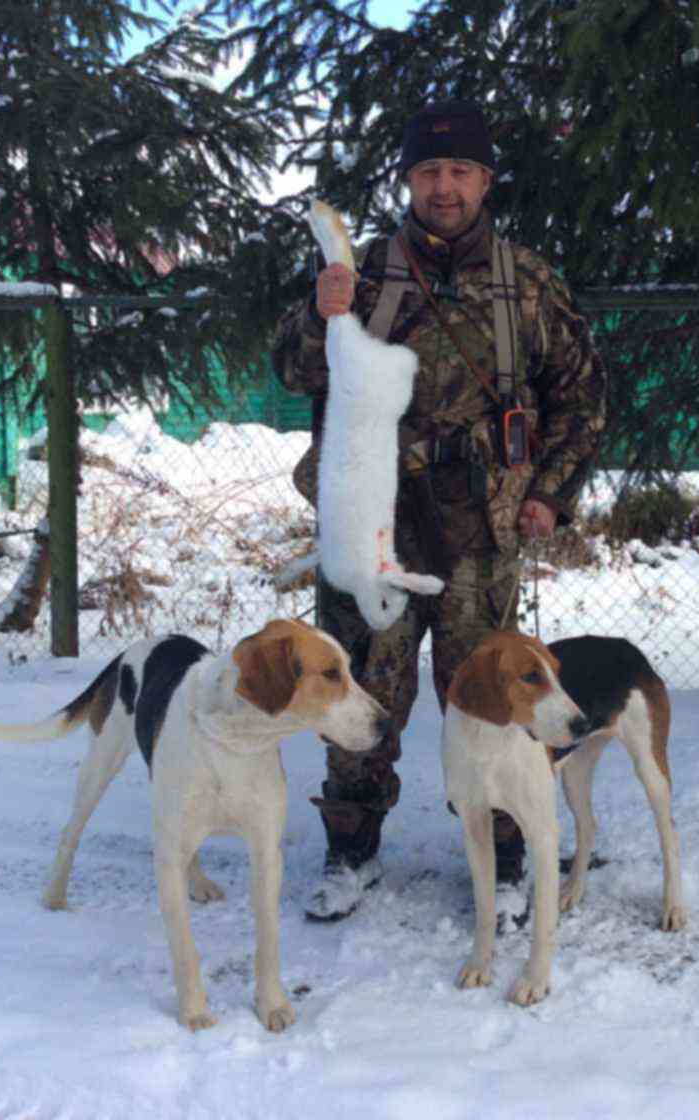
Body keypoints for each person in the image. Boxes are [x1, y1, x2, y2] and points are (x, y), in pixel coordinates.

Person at [271, 99, 607, 923]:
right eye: (429, 171)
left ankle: (501, 858)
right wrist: (322, 312)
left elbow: (584, 401)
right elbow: (290, 371)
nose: (444, 187)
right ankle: (351, 853)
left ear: (485, 180)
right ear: (410, 180)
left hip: (480, 535)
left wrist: (548, 495)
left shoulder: (527, 283)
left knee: (495, 700)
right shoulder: (363, 276)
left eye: (460, 171)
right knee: (355, 693)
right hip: (371, 529)